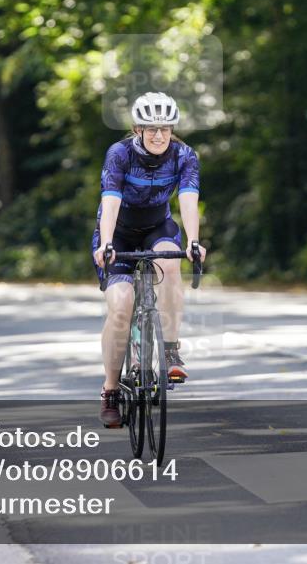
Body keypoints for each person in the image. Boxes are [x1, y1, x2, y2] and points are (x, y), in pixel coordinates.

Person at [91, 92, 207, 427]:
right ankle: (111, 390)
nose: (159, 135)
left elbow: (188, 197)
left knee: (170, 265)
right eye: (151, 128)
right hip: (119, 231)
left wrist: (194, 241)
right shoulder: (120, 154)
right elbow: (110, 198)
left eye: (165, 128)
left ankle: (169, 349)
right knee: (121, 306)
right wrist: (108, 243)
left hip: (158, 227)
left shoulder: (184, 155)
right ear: (138, 129)